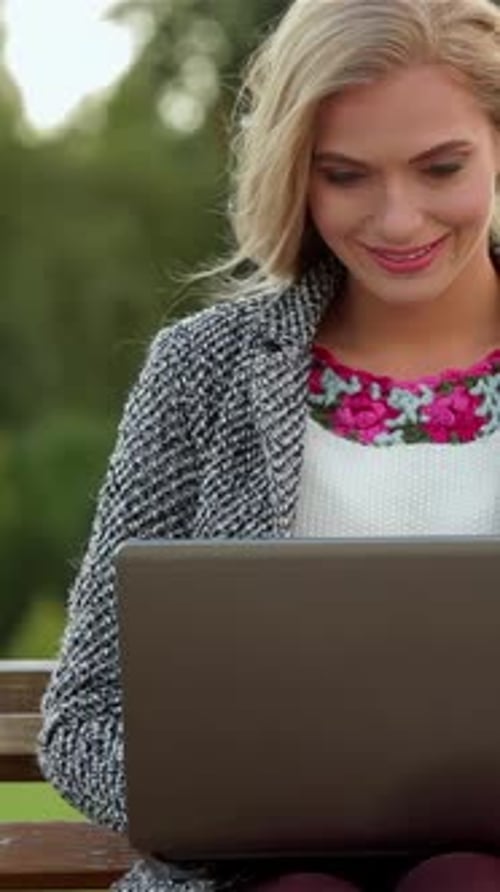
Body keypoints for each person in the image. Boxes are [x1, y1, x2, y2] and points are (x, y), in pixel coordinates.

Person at [38, 0, 500, 889]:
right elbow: (86, 714)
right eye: (346, 175)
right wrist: (226, 808)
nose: (398, 220)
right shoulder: (203, 373)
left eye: (441, 167)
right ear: (294, 174)